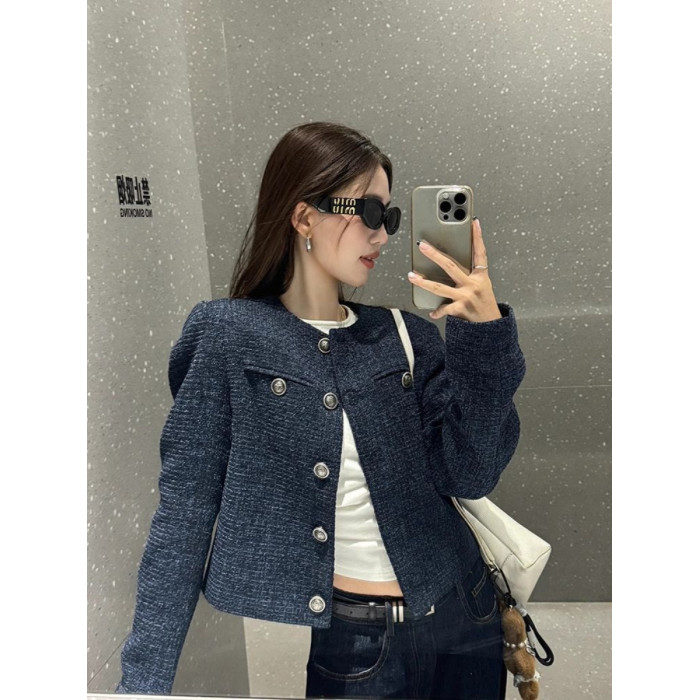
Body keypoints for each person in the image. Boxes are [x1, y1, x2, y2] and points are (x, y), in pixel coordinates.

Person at [116, 121, 526, 698]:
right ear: (304, 217)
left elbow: (472, 473)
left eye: (390, 218)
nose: (381, 235)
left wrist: (482, 340)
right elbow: (185, 513)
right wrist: (142, 682)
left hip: (467, 616)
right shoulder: (228, 335)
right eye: (369, 212)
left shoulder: (405, 336)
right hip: (356, 644)